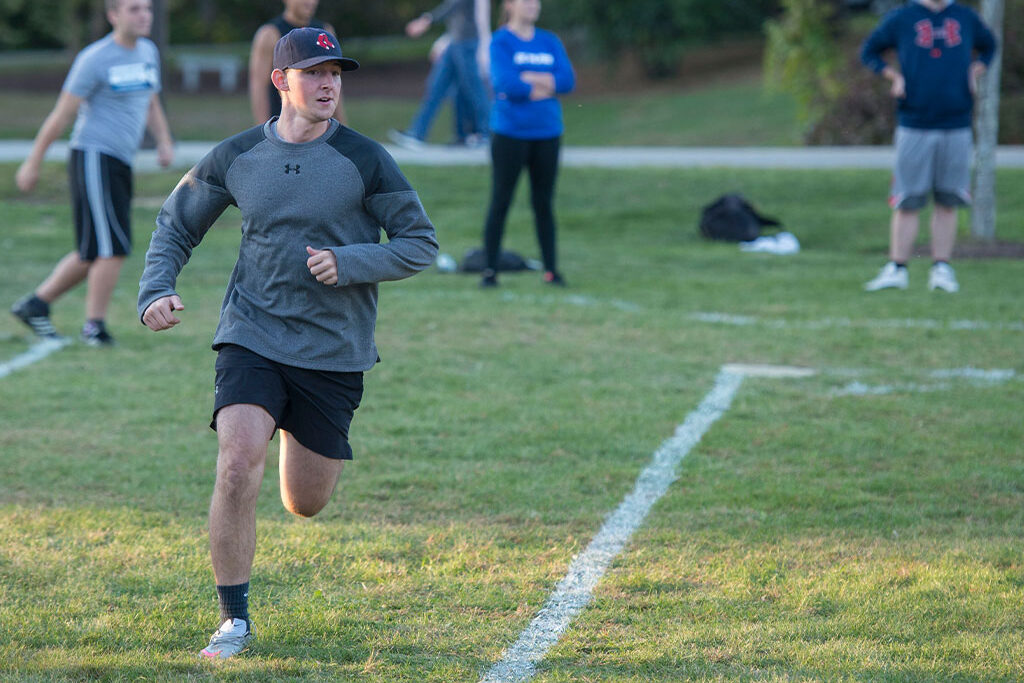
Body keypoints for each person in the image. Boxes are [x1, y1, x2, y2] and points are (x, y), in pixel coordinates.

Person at [137, 27, 438, 659]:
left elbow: (419, 243)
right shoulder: (239, 156)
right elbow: (175, 223)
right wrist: (154, 289)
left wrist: (351, 261)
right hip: (251, 333)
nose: (329, 85)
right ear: (281, 82)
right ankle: (233, 621)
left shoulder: (365, 158)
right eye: (315, 73)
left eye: (336, 74)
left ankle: (292, 433)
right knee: (237, 458)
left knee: (305, 502)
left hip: (333, 349)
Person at [11, 0, 173, 346]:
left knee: (91, 250)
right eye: (134, 9)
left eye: (146, 8)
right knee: (112, 246)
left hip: (120, 161)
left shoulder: (148, 51)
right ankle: (94, 326)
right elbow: (62, 114)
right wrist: (33, 161)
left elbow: (151, 99)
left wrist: (163, 140)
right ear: (113, 15)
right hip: (94, 157)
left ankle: (35, 305)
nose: (144, 15)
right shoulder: (95, 58)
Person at [861, 0, 997, 293]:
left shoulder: (965, 18)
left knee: (948, 199)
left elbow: (990, 46)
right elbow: (869, 51)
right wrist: (893, 76)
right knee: (907, 199)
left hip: (956, 122)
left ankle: (942, 269)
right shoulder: (902, 18)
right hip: (914, 122)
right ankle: (898, 268)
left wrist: (978, 68)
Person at [479, 0, 575, 288]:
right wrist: (545, 84)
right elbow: (507, 85)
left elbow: (568, 81)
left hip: (548, 132)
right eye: (527, 0)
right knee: (501, 201)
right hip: (510, 134)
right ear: (510, 5)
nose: (534, 5)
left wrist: (531, 81)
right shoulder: (501, 42)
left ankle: (551, 270)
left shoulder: (549, 40)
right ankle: (490, 271)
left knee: (543, 203)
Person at [387, 0, 491, 148]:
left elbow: (455, 5)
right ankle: (417, 133)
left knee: (474, 89)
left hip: (467, 43)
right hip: (455, 42)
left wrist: (426, 19)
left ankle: (486, 134)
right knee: (436, 86)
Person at [249, 0, 347, 125]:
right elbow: (258, 85)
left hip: (319, 129)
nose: (310, 2)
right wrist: (263, 131)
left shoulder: (325, 32)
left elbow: (334, 85)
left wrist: (341, 126)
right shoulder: (270, 34)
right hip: (283, 125)